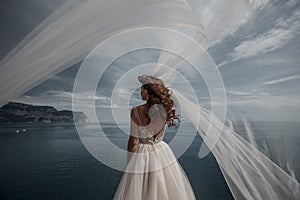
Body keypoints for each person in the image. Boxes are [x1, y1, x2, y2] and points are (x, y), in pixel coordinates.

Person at [113, 75, 196, 200]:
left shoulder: (136, 111)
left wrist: (130, 163)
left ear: (148, 91)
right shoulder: (164, 110)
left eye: (142, 89)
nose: (140, 92)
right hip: (162, 152)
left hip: (141, 154)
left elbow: (133, 140)